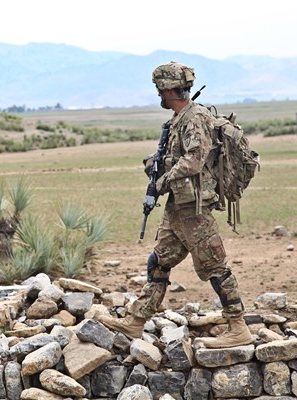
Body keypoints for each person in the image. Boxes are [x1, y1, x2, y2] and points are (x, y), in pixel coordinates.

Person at [96, 61, 254, 348]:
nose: (159, 96)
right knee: (160, 261)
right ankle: (136, 321)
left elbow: (194, 159)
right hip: (179, 206)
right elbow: (180, 157)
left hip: (194, 208)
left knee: (215, 265)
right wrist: (156, 166)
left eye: (160, 90)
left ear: (169, 89)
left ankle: (238, 326)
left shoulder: (195, 118)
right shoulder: (177, 120)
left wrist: (162, 180)